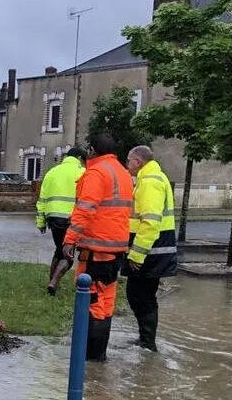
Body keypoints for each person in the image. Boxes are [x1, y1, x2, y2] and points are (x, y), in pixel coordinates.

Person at [62, 133, 134, 362]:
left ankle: (88, 359)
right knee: (106, 302)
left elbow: (85, 209)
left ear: (93, 150)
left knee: (91, 300)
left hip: (95, 248)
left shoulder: (96, 173)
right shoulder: (123, 172)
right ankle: (99, 356)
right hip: (116, 248)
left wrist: (69, 240)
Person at [123, 145, 178, 352]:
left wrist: (136, 255)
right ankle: (145, 340)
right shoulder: (154, 177)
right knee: (142, 296)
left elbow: (150, 222)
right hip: (154, 249)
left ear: (139, 162)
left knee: (141, 296)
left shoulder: (149, 182)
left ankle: (148, 343)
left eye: (129, 159)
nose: (127, 163)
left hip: (150, 251)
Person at [36, 147, 87, 295]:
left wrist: (41, 222)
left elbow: (42, 199)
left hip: (53, 218)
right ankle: (54, 282)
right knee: (68, 253)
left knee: (59, 249)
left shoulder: (52, 172)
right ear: (80, 159)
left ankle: (51, 282)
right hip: (73, 218)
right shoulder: (83, 173)